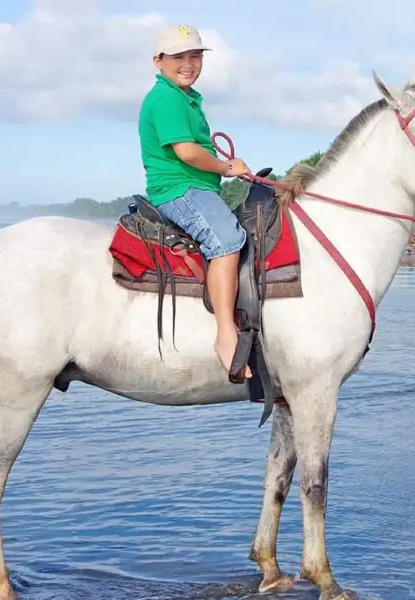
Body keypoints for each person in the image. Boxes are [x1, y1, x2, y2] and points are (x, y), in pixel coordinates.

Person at [138, 24, 252, 380]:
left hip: (199, 187)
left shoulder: (185, 98)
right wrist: (226, 167)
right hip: (179, 189)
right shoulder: (167, 99)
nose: (188, 64)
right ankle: (225, 334)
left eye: (195, 56)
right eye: (179, 57)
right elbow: (187, 153)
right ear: (159, 60)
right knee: (228, 241)